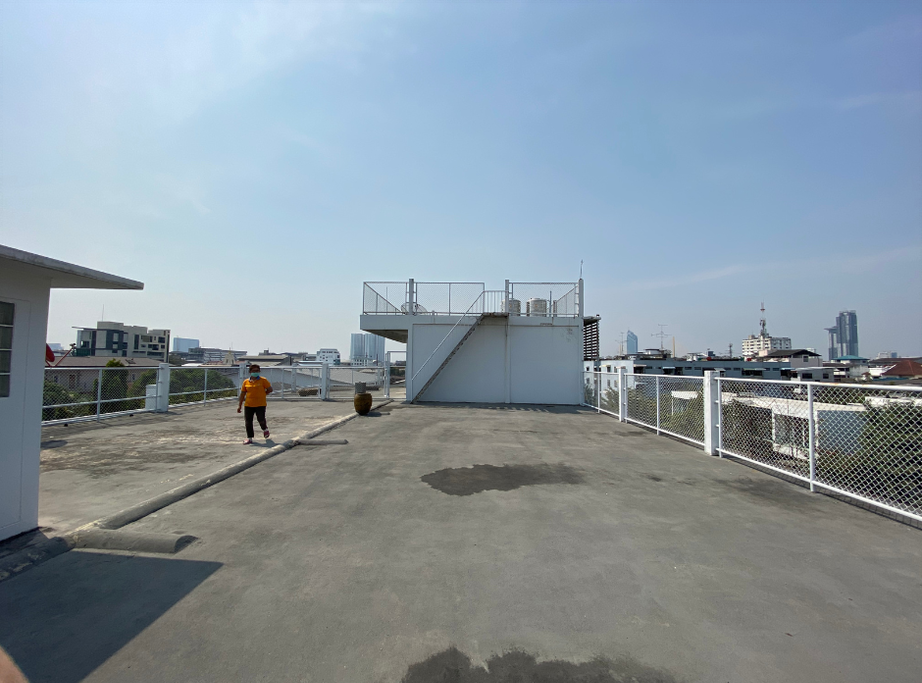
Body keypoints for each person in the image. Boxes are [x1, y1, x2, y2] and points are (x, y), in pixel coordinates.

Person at [237, 364, 273, 444]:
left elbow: (270, 389)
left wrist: (263, 394)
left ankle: (265, 429)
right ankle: (249, 438)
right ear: (250, 372)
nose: (255, 372)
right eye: (253, 371)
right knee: (248, 421)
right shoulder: (246, 382)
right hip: (249, 404)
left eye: (257, 371)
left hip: (260, 404)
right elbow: (242, 394)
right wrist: (239, 406)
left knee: (261, 419)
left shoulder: (263, 380)